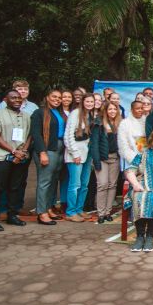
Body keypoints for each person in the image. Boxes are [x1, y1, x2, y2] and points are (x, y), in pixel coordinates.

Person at [0, 90, 32, 232]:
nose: (17, 100)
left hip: (20, 156)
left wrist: (22, 152)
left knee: (15, 187)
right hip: (2, 156)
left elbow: (30, 135)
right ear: (5, 100)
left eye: (19, 98)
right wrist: (13, 151)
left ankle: (12, 214)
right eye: (13, 98)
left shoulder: (26, 116)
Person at [32, 89, 66, 226]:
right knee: (44, 181)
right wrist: (42, 152)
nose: (57, 99)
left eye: (59, 98)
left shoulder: (58, 112)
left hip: (59, 148)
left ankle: (49, 207)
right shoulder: (39, 112)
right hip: (47, 149)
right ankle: (41, 212)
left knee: (53, 180)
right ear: (47, 97)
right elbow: (35, 133)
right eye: (54, 97)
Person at [64, 93, 96, 222]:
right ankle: (70, 212)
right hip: (75, 154)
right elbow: (68, 135)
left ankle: (79, 209)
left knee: (84, 184)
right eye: (87, 101)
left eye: (91, 102)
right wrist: (74, 153)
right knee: (75, 184)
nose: (89, 104)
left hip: (87, 153)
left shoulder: (90, 115)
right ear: (82, 102)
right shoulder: (75, 114)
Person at [95, 101, 122, 223]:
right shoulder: (99, 124)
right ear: (105, 111)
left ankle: (107, 212)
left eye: (114, 109)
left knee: (112, 185)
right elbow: (94, 144)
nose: (112, 111)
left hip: (115, 158)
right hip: (102, 158)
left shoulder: (120, 124)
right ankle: (100, 213)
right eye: (110, 109)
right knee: (102, 184)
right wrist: (96, 160)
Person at [118, 100, 147, 164]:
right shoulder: (124, 123)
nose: (140, 110)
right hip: (131, 159)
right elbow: (123, 144)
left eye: (142, 108)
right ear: (132, 110)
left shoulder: (147, 122)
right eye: (137, 108)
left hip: (146, 159)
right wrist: (134, 159)